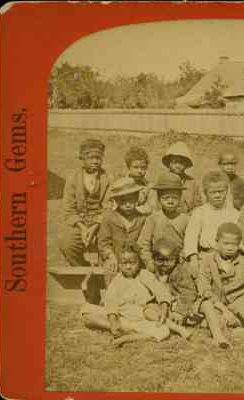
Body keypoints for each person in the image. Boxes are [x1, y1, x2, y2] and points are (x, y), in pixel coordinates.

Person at [81, 243, 172, 346]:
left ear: (139, 262)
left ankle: (126, 337)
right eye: (124, 263)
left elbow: (161, 292)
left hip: (143, 318)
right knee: (86, 311)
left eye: (132, 263)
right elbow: (110, 302)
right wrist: (113, 322)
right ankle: (118, 329)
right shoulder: (117, 280)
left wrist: (164, 309)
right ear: (119, 264)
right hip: (122, 318)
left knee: (163, 331)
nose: (128, 267)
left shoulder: (145, 275)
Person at [58, 138, 110, 267]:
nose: (95, 161)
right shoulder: (73, 179)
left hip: (101, 223)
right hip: (79, 223)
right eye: (91, 157)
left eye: (98, 158)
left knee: (108, 244)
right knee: (66, 244)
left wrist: (94, 227)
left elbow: (108, 207)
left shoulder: (107, 178)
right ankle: (82, 270)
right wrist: (82, 228)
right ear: (82, 158)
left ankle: (105, 274)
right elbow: (68, 209)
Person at [184, 170, 240, 279]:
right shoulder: (200, 212)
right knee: (199, 278)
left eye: (221, 191)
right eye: (213, 192)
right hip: (206, 256)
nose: (217, 195)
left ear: (227, 191)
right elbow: (191, 236)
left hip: (230, 256)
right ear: (206, 193)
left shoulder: (234, 213)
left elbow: (241, 239)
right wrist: (193, 258)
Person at [97, 177, 146, 285]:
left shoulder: (142, 218)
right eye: (123, 201)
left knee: (143, 276)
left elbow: (144, 242)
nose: (128, 204)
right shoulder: (109, 217)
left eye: (131, 200)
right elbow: (103, 242)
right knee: (112, 272)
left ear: (137, 198)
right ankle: (112, 299)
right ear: (117, 201)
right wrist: (110, 255)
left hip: (136, 259)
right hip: (116, 259)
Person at [138, 171, 189, 273]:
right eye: (165, 198)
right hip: (157, 262)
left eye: (174, 198)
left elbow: (188, 243)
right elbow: (144, 243)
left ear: (180, 199)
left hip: (178, 262)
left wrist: (183, 260)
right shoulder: (153, 219)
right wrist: (148, 261)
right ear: (159, 199)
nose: (170, 201)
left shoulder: (186, 219)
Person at [161, 141, 202, 214]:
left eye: (181, 162)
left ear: (186, 163)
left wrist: (190, 214)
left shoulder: (192, 182)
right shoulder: (163, 180)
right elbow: (157, 205)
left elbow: (198, 205)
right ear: (169, 163)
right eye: (174, 162)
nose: (177, 165)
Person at [123, 146, 154, 215]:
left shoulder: (149, 186)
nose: (140, 171)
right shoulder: (122, 185)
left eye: (143, 168)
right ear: (128, 167)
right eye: (136, 167)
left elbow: (151, 207)